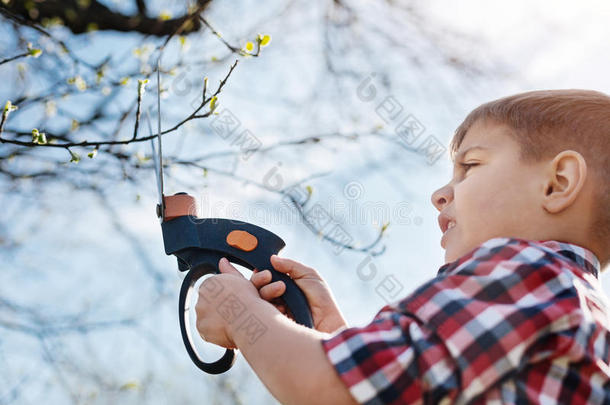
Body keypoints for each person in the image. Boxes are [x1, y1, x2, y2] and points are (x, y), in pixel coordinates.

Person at [195, 89, 610, 404]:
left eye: (471, 166)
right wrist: (333, 336)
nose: (440, 194)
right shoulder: (561, 304)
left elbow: (328, 389)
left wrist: (240, 312)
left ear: (558, 183)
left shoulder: (524, 273)